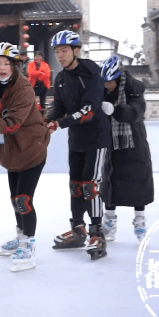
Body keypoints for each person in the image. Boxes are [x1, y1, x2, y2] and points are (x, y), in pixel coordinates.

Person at [0, 43, 50, 272]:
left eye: (6, 63)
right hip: (12, 152)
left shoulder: (24, 89)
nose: (1, 67)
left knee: (23, 199)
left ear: (15, 66)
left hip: (31, 150)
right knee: (15, 198)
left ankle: (29, 245)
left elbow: (11, 125)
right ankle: (20, 235)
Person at [44, 30, 111, 260]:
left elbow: (89, 110)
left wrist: (59, 123)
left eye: (64, 50)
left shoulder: (91, 72)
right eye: (57, 51)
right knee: (75, 185)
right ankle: (77, 228)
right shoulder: (60, 78)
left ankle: (97, 232)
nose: (60, 55)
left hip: (97, 137)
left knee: (91, 185)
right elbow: (58, 107)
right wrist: (46, 119)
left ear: (76, 50)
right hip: (77, 139)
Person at [98, 55, 154, 242]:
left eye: (111, 82)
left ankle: (139, 222)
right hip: (112, 144)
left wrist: (116, 110)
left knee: (138, 182)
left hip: (134, 144)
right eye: (105, 82)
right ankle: (109, 222)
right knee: (110, 182)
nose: (108, 86)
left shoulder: (135, 88)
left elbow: (136, 112)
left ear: (119, 76)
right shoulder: (102, 90)